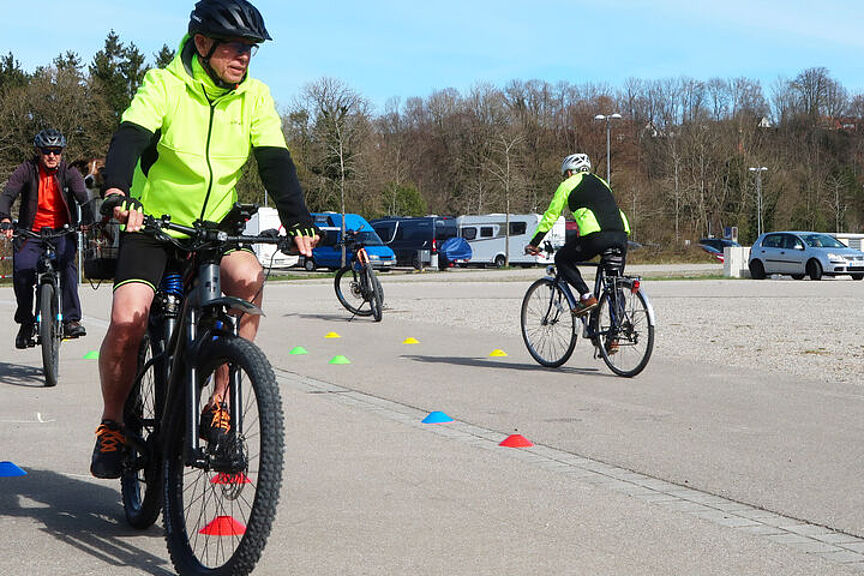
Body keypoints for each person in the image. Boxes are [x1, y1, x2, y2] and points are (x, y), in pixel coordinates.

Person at [91, 0, 319, 479]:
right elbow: (129, 139)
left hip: (215, 229)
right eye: (236, 46)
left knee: (249, 277)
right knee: (128, 320)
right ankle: (113, 422)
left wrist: (299, 219)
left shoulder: (255, 97)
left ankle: (220, 401)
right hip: (152, 225)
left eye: (251, 49)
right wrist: (116, 192)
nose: (244, 57)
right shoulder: (164, 85)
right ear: (202, 43)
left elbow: (275, 161)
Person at [0, 129, 90, 349]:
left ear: (61, 152)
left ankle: (71, 320)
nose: (52, 156)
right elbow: (7, 194)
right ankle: (26, 323)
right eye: (47, 151)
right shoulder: (27, 170)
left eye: (56, 151)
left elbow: (83, 198)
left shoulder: (69, 172)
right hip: (30, 233)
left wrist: (86, 221)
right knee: (22, 272)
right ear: (39, 152)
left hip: (61, 231)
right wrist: (5, 219)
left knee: (68, 266)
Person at [526, 153, 630, 316]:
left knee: (562, 258)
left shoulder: (568, 184)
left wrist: (534, 242)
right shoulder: (602, 182)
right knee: (614, 285)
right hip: (621, 236)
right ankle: (614, 336)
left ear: (568, 172)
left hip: (596, 237)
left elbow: (551, 215)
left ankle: (586, 296)